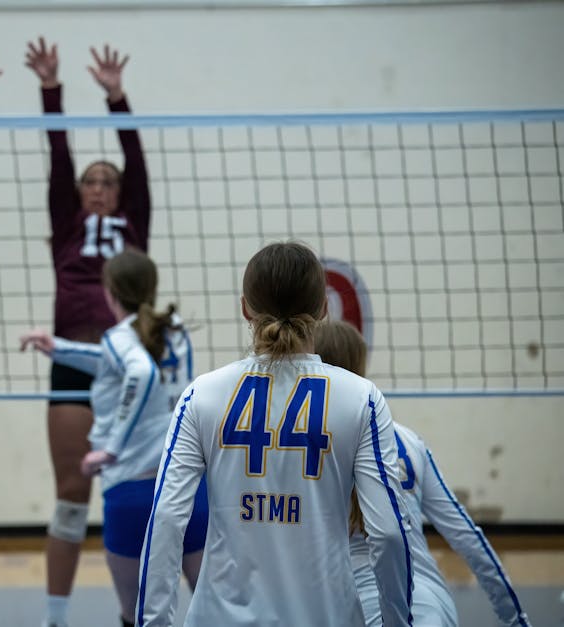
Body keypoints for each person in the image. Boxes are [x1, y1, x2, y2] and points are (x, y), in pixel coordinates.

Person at [137, 241, 414, 627]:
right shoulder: (362, 399)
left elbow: (166, 518)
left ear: (245, 308)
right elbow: (388, 535)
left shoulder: (201, 395)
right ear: (323, 309)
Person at [24, 37, 151, 627]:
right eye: (89, 181)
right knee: (73, 497)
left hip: (130, 360)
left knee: (142, 492)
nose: (97, 185)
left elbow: (137, 158)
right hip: (74, 361)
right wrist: (51, 89)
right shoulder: (65, 224)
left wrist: (117, 96)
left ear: (120, 194)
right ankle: (55, 616)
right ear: (77, 195)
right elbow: (57, 155)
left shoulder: (135, 220)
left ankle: (146, 610)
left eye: (107, 180)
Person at [21, 249, 207, 627]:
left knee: (137, 616)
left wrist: (110, 448)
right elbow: (122, 360)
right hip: (188, 489)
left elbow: (138, 372)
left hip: (133, 491)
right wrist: (59, 348)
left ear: (110, 292)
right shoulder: (175, 329)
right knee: (211, 607)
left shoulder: (119, 339)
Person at [314, 319, 532, 627]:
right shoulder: (409, 442)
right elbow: (468, 538)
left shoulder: (303, 450)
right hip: (429, 607)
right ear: (361, 366)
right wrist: (517, 620)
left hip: (348, 607)